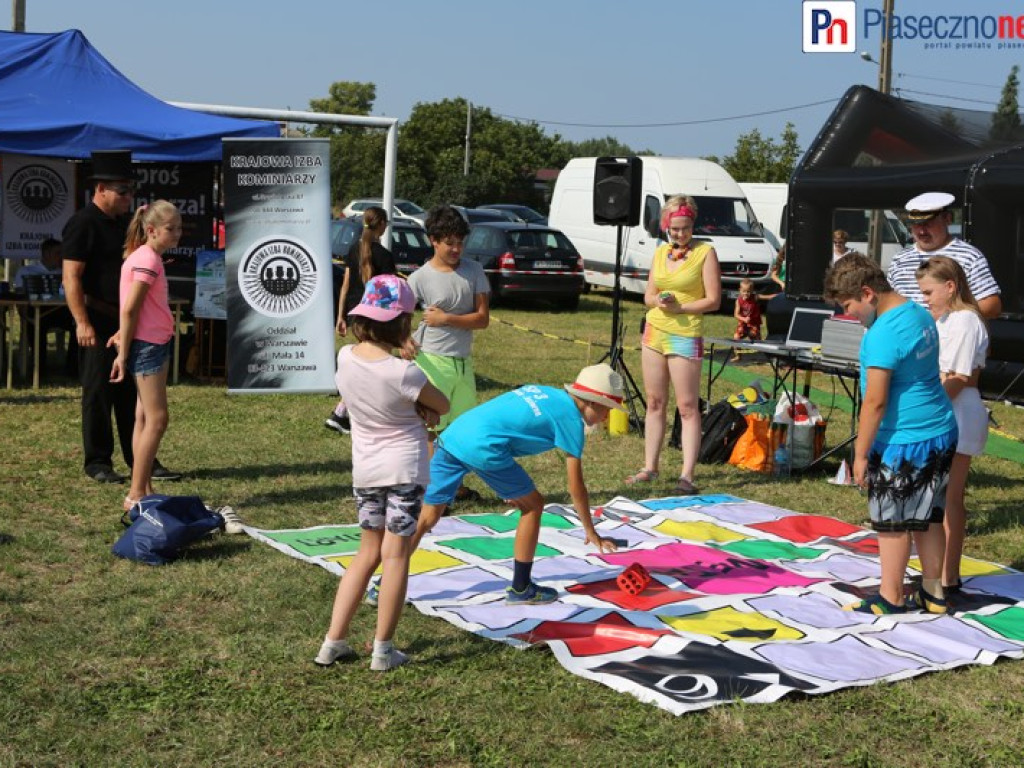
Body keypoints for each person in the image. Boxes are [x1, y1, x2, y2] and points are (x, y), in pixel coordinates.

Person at [314, 275, 449, 671]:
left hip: (367, 471)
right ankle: (383, 650)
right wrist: (421, 399)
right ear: (403, 324)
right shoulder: (406, 372)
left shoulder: (345, 357)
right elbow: (441, 405)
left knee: (366, 553)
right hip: (405, 470)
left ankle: (332, 642)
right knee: (396, 556)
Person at [407, 364, 622, 605]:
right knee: (533, 505)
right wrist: (590, 531)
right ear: (592, 401)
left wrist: (508, 487)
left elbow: (509, 422)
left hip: (454, 435)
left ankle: (387, 582)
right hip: (483, 445)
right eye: (607, 409)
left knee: (426, 517)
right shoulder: (571, 421)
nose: (606, 417)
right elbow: (576, 487)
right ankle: (521, 589)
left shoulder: (546, 391)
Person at [823, 254, 958, 615]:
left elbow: (875, 401)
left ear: (867, 293)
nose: (849, 314)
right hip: (940, 429)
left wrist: (860, 454)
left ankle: (891, 596)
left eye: (848, 306)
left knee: (892, 521)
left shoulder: (882, 334)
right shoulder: (917, 312)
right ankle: (934, 593)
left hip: (905, 439)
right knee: (929, 516)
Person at [62, 150, 179, 484]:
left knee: (134, 394)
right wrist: (82, 322)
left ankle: (140, 459)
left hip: (128, 320)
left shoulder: (124, 225)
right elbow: (71, 277)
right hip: (97, 318)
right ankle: (98, 461)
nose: (129, 197)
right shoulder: (83, 223)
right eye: (122, 190)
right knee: (99, 391)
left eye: (131, 190)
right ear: (101, 189)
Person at [626, 195, 722, 495]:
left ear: (693, 225)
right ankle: (649, 467)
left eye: (686, 227)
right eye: (675, 228)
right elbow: (648, 295)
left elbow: (713, 300)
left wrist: (681, 308)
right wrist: (659, 300)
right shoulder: (660, 252)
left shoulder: (705, 252)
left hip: (685, 334)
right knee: (654, 401)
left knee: (687, 406)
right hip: (654, 331)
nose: (680, 234)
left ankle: (687, 475)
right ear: (666, 226)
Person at [915, 256, 989, 599]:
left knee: (950, 498)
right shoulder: (946, 319)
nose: (925, 299)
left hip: (955, 412)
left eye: (928, 292)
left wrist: (926, 411)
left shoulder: (965, 320)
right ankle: (937, 573)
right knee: (938, 497)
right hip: (946, 408)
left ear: (950, 286)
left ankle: (948, 576)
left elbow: (958, 376)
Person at [406, 204, 490, 501]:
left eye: (460, 243)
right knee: (433, 428)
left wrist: (447, 319)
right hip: (431, 360)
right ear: (433, 240)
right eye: (449, 243)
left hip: (463, 363)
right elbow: (399, 315)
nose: (456, 249)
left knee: (461, 430)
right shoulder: (419, 278)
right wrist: (403, 340)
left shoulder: (474, 271)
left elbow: (482, 319)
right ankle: (435, 493)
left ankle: (455, 486)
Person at [109, 201, 183, 511]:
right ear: (151, 230)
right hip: (148, 346)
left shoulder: (144, 257)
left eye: (179, 228)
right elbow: (130, 308)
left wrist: (122, 335)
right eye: (170, 229)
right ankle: (136, 493)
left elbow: (134, 308)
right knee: (157, 419)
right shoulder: (148, 260)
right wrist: (123, 352)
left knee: (143, 418)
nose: (177, 234)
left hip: (152, 342)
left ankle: (144, 488)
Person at [325, 206, 397, 434]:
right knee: (371, 366)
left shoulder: (353, 250)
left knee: (365, 365)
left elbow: (345, 285)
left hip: (354, 313)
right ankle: (340, 413)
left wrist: (340, 316)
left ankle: (343, 413)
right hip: (374, 315)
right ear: (382, 225)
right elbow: (390, 292)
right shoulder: (384, 256)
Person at [887, 192, 1002, 320]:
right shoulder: (899, 260)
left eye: (928, 223)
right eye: (916, 224)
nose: (921, 231)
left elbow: (991, 306)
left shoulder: (969, 256)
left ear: (947, 219)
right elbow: (888, 303)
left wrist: (947, 318)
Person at [15, 237, 77, 376]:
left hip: (61, 311)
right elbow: (20, 296)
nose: (61, 257)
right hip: (36, 311)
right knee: (35, 326)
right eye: (58, 253)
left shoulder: (65, 273)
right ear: (47, 254)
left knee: (78, 324)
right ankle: (39, 370)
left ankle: (73, 369)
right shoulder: (26, 271)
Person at [731, 277, 762, 361]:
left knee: (757, 341)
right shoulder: (738, 300)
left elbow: (767, 297)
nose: (746, 293)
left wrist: (778, 296)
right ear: (740, 290)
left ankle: (763, 355)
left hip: (753, 324)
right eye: (744, 291)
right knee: (736, 337)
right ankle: (738, 355)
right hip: (743, 323)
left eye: (748, 291)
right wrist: (743, 319)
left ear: (752, 291)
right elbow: (736, 314)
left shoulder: (755, 297)